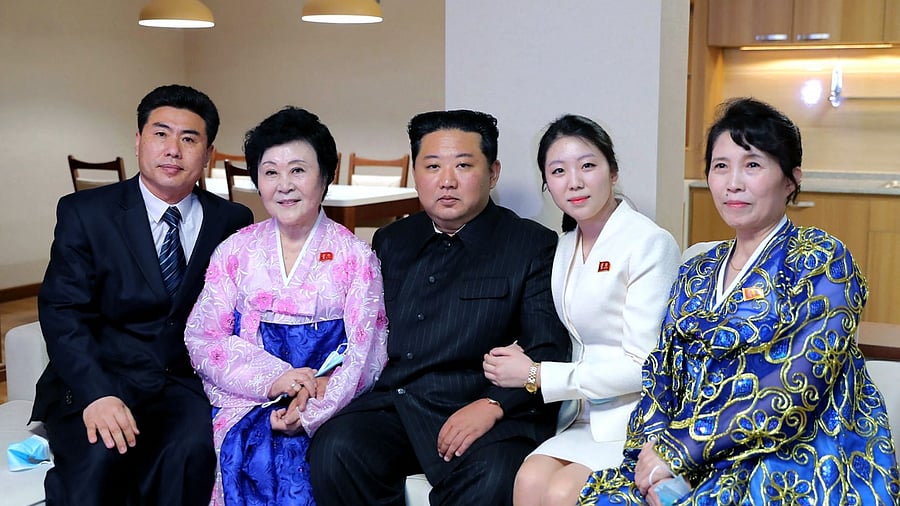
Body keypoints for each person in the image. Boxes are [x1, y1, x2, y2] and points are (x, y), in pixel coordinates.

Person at [577, 97, 900, 506]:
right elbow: (663, 373)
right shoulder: (698, 268)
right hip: (688, 453)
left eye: (752, 165)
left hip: (794, 451)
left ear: (791, 180)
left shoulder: (821, 259)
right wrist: (650, 460)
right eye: (720, 166)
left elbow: (796, 382)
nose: (733, 182)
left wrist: (678, 453)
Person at [307, 109, 571, 505]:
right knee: (336, 448)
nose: (447, 181)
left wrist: (494, 404)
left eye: (464, 165)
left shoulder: (531, 245)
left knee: (497, 474)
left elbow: (548, 347)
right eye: (432, 166)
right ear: (416, 173)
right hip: (399, 402)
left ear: (493, 173)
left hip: (481, 404)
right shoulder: (391, 240)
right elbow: (365, 332)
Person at [32, 84, 254, 505]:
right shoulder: (86, 212)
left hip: (182, 384)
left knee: (194, 456)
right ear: (138, 141)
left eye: (189, 139)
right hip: (102, 376)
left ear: (208, 154)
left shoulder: (231, 219)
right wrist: (96, 393)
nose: (173, 150)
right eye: (160, 134)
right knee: (101, 458)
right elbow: (63, 312)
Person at [183, 106, 389, 505]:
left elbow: (370, 352)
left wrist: (313, 402)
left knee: (312, 469)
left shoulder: (355, 257)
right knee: (231, 456)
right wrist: (276, 379)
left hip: (325, 401)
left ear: (325, 176)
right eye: (270, 171)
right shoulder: (235, 250)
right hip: (249, 397)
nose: (284, 185)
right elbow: (204, 335)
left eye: (298, 170)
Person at [482, 114, 681, 506]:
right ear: (547, 185)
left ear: (613, 171)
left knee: (560, 492)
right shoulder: (564, 247)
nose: (574, 181)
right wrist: (524, 355)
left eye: (588, 165)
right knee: (528, 479)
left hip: (632, 420)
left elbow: (644, 366)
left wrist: (537, 374)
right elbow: (574, 334)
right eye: (558, 171)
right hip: (577, 415)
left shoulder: (648, 244)